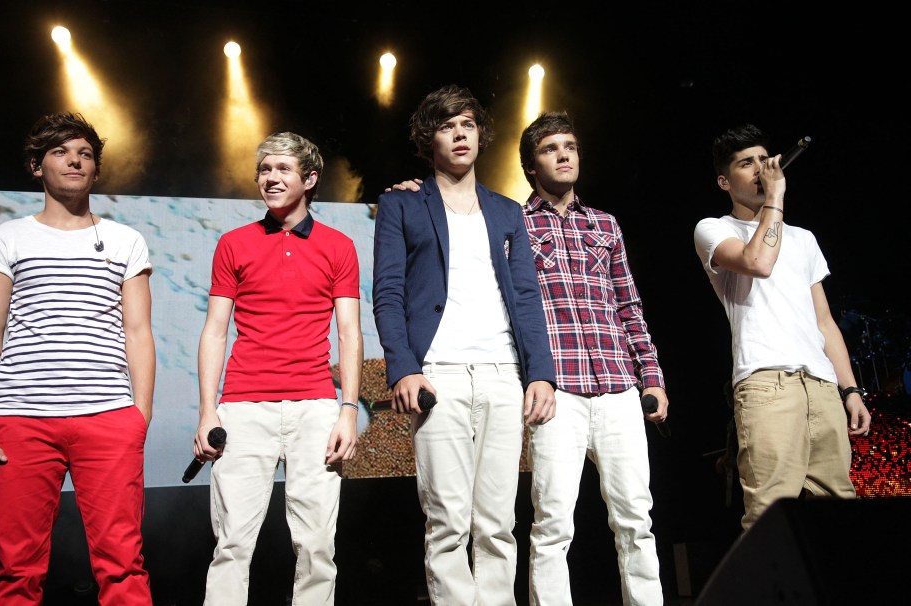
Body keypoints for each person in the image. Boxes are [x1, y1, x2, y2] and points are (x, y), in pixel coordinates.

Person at [0, 112, 156, 604]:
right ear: (35, 165)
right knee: (16, 569)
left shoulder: (127, 239)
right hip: (22, 419)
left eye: (85, 153)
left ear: (96, 169)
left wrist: (139, 418)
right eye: (61, 151)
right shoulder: (8, 238)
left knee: (123, 565)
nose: (75, 160)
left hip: (108, 418)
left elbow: (138, 332)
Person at [372, 84, 557, 606]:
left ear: (481, 136)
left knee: (498, 523)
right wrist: (403, 369)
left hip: (502, 374)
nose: (459, 133)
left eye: (468, 124)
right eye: (447, 125)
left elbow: (525, 295)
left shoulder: (506, 212)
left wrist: (539, 372)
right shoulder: (401, 203)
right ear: (428, 138)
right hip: (439, 373)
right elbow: (386, 294)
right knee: (447, 521)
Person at [194, 131, 362, 606]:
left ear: (309, 179)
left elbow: (349, 333)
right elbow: (214, 331)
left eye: (283, 169)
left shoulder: (338, 245)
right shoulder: (233, 243)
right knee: (231, 545)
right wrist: (208, 412)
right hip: (244, 408)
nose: (271, 177)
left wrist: (347, 411)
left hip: (315, 408)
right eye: (265, 169)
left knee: (316, 546)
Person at [693, 123, 871, 530]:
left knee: (841, 515)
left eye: (763, 159)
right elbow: (759, 263)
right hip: (766, 385)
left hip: (822, 386)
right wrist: (774, 195)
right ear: (724, 181)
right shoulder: (714, 229)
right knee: (769, 520)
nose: (760, 168)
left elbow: (823, 321)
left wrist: (851, 389)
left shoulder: (804, 239)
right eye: (745, 163)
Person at [519, 112, 666, 605]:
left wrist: (652, 376)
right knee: (553, 523)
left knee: (636, 520)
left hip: (619, 387)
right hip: (557, 391)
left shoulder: (605, 223)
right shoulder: (514, 225)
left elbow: (629, 304)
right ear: (530, 166)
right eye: (550, 148)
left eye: (570, 146)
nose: (564, 154)